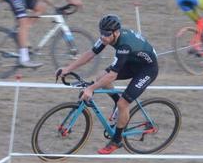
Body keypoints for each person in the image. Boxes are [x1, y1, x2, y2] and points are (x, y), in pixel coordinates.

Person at [56, 15, 158, 155]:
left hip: (147, 69)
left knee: (123, 103)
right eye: (101, 33)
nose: (103, 37)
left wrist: (91, 88)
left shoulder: (124, 46)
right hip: (132, 62)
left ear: (116, 32)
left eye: (107, 34)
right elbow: (90, 53)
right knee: (100, 77)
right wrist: (68, 69)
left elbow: (112, 75)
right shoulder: (108, 35)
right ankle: (117, 102)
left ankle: (116, 140)